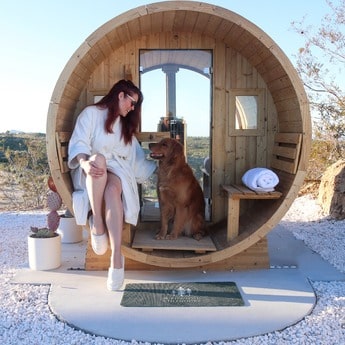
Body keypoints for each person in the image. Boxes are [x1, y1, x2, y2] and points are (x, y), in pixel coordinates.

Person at [68, 79, 156, 291]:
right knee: (98, 159)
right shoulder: (90, 114)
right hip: (90, 171)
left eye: (135, 105)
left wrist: (156, 165)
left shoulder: (123, 125)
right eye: (131, 102)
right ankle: (97, 222)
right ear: (120, 95)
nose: (132, 107)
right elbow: (79, 143)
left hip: (116, 171)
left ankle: (116, 258)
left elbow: (132, 157)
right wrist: (84, 162)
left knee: (112, 189)